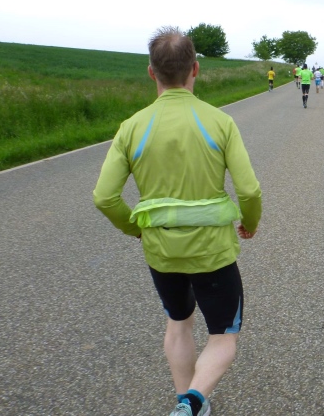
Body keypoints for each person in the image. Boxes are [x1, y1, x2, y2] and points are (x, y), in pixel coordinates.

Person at [93, 26, 262, 416]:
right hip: (213, 253)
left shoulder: (132, 127)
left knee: (178, 324)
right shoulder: (220, 122)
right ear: (196, 69)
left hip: (162, 253)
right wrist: (250, 223)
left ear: (151, 72)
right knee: (223, 336)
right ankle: (193, 402)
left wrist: (135, 228)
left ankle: (186, 403)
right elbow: (249, 191)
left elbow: (104, 196)